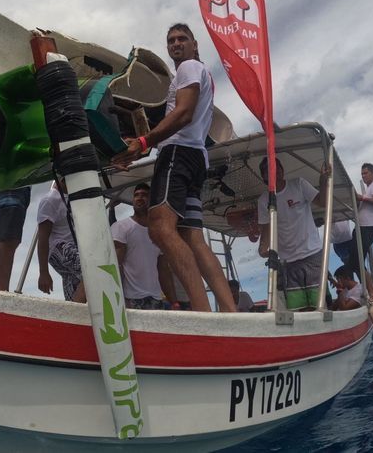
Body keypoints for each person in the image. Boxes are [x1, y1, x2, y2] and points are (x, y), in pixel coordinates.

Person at [113, 24, 235, 313]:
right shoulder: (200, 73)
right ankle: (230, 312)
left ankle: (204, 314)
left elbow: (183, 115)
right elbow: (185, 122)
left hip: (179, 156)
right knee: (192, 235)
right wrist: (145, 145)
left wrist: (143, 141)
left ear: (195, 45)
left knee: (160, 228)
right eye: (171, 40)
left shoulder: (189, 68)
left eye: (182, 39)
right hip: (195, 158)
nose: (176, 44)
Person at [257, 157, 330, 311]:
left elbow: (323, 202)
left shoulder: (298, 184)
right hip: (288, 262)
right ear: (264, 176)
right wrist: (263, 248)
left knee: (320, 305)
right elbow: (266, 231)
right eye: (268, 170)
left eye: (276, 167)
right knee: (298, 310)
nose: (273, 172)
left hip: (312, 254)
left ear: (282, 170)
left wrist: (323, 181)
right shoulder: (264, 201)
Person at [111, 183, 174, 310]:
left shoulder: (159, 232)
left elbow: (164, 270)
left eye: (144, 195)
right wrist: (119, 299)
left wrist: (174, 302)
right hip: (131, 299)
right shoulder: (121, 227)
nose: (139, 198)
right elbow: (115, 267)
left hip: (156, 299)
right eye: (136, 195)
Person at [36, 181, 85, 302]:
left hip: (73, 249)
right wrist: (43, 272)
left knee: (75, 281)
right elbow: (42, 237)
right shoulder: (50, 200)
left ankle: (73, 313)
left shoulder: (72, 199)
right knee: (90, 271)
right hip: (59, 248)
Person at [343, 163, 373, 287]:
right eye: (362, 174)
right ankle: (368, 289)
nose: (363, 176)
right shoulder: (370, 189)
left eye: (365, 173)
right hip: (361, 229)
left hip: (367, 230)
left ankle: (372, 290)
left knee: (357, 262)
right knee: (354, 262)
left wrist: (363, 198)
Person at [0, 187, 32, 291]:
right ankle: (0, 296)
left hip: (10, 186)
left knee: (5, 240)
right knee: (8, 239)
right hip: (11, 186)